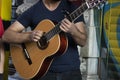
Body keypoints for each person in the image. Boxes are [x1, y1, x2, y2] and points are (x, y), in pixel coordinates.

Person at [2, 0, 87, 80]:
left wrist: (73, 30)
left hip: (71, 72)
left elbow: (83, 42)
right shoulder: (34, 10)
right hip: (42, 72)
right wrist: (29, 36)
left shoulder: (73, 8)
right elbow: (6, 35)